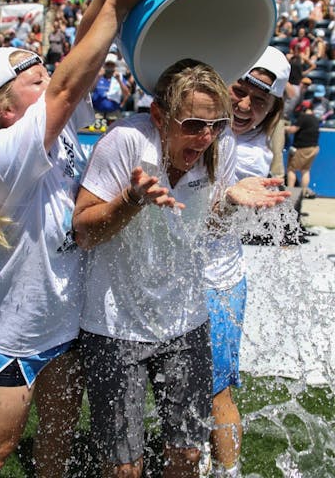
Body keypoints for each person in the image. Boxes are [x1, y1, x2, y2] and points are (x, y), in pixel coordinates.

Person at [0, 0, 171, 478]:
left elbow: (75, 58)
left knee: (57, 442)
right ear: (5, 108)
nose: (46, 75)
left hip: (64, 324)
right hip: (13, 333)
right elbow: (70, 81)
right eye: (32, 74)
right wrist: (118, 1)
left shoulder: (58, 124)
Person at [73, 58, 290, 478]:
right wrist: (130, 201)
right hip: (116, 325)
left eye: (216, 125)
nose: (206, 136)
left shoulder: (218, 146)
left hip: (186, 321)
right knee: (123, 468)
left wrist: (228, 202)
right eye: (192, 124)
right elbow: (83, 231)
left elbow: (207, 226)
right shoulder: (125, 142)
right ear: (159, 115)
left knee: (188, 456)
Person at [204, 45, 291, 477]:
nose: (244, 106)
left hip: (217, 283)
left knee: (217, 391)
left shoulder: (253, 154)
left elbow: (211, 221)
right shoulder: (207, 122)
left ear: (273, 109)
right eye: (240, 90)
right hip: (178, 279)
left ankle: (227, 472)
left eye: (259, 102)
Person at [286, 100, 320, 199]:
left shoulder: (303, 117)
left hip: (301, 148)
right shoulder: (315, 119)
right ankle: (304, 192)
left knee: (291, 169)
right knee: (305, 170)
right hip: (313, 148)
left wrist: (284, 128)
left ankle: (290, 192)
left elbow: (293, 130)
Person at [91, 52, 129, 123]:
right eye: (108, 64)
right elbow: (90, 90)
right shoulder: (98, 76)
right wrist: (98, 77)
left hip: (113, 114)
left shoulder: (119, 77)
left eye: (112, 65)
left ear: (115, 66)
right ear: (104, 65)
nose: (110, 67)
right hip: (97, 113)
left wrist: (119, 81)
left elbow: (126, 94)